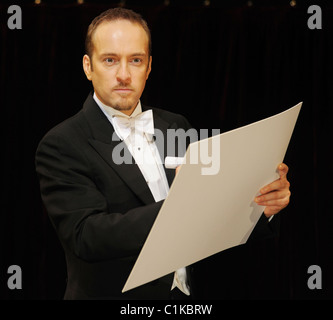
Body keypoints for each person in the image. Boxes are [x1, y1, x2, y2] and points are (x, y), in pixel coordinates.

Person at [35, 7, 291, 300]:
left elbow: (210, 218)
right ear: (88, 66)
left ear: (149, 67)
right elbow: (86, 236)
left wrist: (262, 207)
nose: (123, 74)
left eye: (135, 60)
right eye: (109, 60)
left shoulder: (175, 126)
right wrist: (182, 204)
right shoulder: (62, 143)